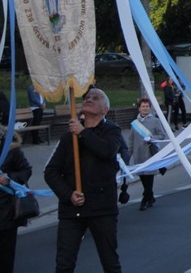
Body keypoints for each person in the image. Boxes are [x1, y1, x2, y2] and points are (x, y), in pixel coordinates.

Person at [44, 88, 123, 272]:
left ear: (104, 109)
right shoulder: (68, 138)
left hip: (102, 208)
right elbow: (51, 172)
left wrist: (83, 133)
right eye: (87, 97)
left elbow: (107, 150)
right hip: (73, 210)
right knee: (64, 263)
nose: (89, 99)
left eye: (96, 98)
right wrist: (68, 194)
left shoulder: (112, 131)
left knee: (110, 261)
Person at [0, 126, 33, 272]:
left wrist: (9, 178)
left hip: (5, 210)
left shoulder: (11, 150)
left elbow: (26, 170)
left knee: (5, 256)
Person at [127, 98, 167, 211]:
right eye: (143, 106)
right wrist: (127, 155)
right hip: (138, 155)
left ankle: (145, 199)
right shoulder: (135, 123)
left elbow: (162, 135)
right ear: (139, 108)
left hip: (150, 154)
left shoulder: (155, 121)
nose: (145, 108)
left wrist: (152, 138)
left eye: (147, 106)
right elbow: (131, 140)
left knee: (149, 177)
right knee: (143, 178)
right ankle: (151, 197)